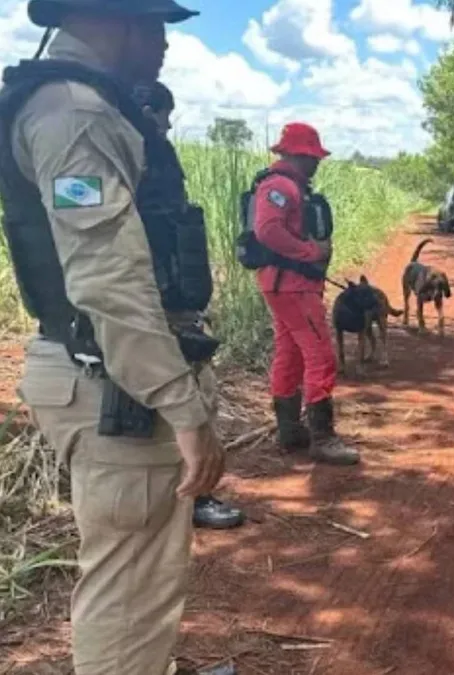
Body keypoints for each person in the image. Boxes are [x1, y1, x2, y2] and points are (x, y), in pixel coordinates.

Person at [0, 0, 231, 674]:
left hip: (109, 377)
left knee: (140, 580)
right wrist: (182, 408)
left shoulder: (75, 103)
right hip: (117, 389)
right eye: (155, 25)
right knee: (129, 588)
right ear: (114, 20)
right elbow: (109, 277)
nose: (163, 44)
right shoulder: (76, 112)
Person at [133, 80, 245, 531]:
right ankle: (195, 496)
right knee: (194, 397)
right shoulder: (137, 155)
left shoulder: (143, 156)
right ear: (147, 109)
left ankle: (181, 495)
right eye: (164, 113)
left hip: (166, 301)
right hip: (157, 306)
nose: (168, 123)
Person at [251, 122, 359, 465]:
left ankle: (290, 430)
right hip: (293, 285)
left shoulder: (284, 185)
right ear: (298, 155)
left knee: (291, 353)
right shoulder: (281, 187)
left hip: (285, 284)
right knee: (320, 356)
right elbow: (267, 230)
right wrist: (309, 253)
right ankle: (323, 438)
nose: (317, 163)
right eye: (313, 157)